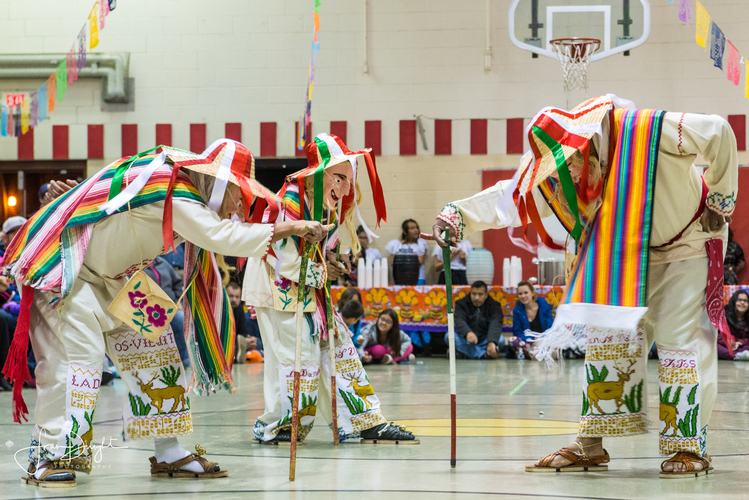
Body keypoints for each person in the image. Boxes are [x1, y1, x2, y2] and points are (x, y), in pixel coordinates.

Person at [432, 95, 737, 477]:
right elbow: (514, 194)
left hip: (688, 243)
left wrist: (721, 198)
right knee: (607, 341)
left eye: (574, 160)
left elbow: (719, 131)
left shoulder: (650, 129)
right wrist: (457, 215)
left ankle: (688, 446)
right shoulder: (563, 155)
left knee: (681, 340)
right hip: (623, 254)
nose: (570, 172)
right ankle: (591, 445)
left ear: (588, 141)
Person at [2, 139, 329, 487]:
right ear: (218, 182)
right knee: (77, 359)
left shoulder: (173, 186)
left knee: (157, 348)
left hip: (116, 276)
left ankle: (169, 451)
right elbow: (220, 235)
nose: (238, 206)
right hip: (68, 268)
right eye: (238, 194)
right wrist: (292, 227)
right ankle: (50, 454)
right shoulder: (173, 189)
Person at [243, 132, 415, 444]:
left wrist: (332, 260)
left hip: (310, 295)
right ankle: (280, 426)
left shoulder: (324, 207)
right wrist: (325, 270)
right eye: (340, 178)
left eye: (350, 180)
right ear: (318, 176)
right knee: (297, 360)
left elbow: (317, 255)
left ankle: (363, 421)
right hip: (278, 293)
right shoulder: (289, 205)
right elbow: (284, 261)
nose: (346, 188)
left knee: (342, 350)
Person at [143, 255, 190, 368]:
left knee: (182, 318)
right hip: (150, 310)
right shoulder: (136, 266)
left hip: (171, 306)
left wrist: (179, 302)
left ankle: (184, 359)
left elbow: (176, 283)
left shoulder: (163, 263)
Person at [449, 281, 504, 359]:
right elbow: (459, 320)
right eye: (474, 294)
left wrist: (491, 342)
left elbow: (495, 324)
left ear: (486, 295)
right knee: (448, 337)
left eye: (480, 294)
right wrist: (468, 332)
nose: (476, 298)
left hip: (485, 341)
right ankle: (483, 355)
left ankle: (463, 354)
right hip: (466, 340)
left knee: (501, 340)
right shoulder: (461, 304)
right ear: (470, 293)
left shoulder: (495, 306)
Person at [509, 281, 553, 359]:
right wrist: (531, 340)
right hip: (528, 342)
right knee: (513, 340)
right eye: (520, 294)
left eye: (526, 292)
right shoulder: (517, 311)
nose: (523, 296)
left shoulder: (543, 305)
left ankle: (536, 353)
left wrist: (540, 339)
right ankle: (533, 353)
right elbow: (517, 332)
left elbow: (550, 327)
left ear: (532, 293)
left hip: (544, 340)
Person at [226, 281, 261, 364]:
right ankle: (240, 352)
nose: (234, 300)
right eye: (231, 296)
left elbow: (242, 333)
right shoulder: (222, 310)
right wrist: (243, 341)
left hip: (236, 341)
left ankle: (240, 352)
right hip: (226, 341)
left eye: (237, 297)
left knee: (257, 342)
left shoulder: (239, 309)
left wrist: (247, 339)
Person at [386, 219, 429, 285]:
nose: (416, 230)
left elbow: (420, 261)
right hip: (401, 278)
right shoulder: (397, 245)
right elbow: (393, 262)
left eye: (416, 227)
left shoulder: (420, 243)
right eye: (412, 228)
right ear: (405, 231)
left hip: (418, 278)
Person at [720, 290, 749, 360]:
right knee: (713, 345)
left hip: (743, 346)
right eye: (739, 300)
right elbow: (718, 335)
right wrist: (731, 342)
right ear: (734, 302)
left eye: (745, 301)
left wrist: (740, 342)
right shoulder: (725, 315)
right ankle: (737, 356)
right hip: (726, 346)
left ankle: (739, 355)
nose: (742, 303)